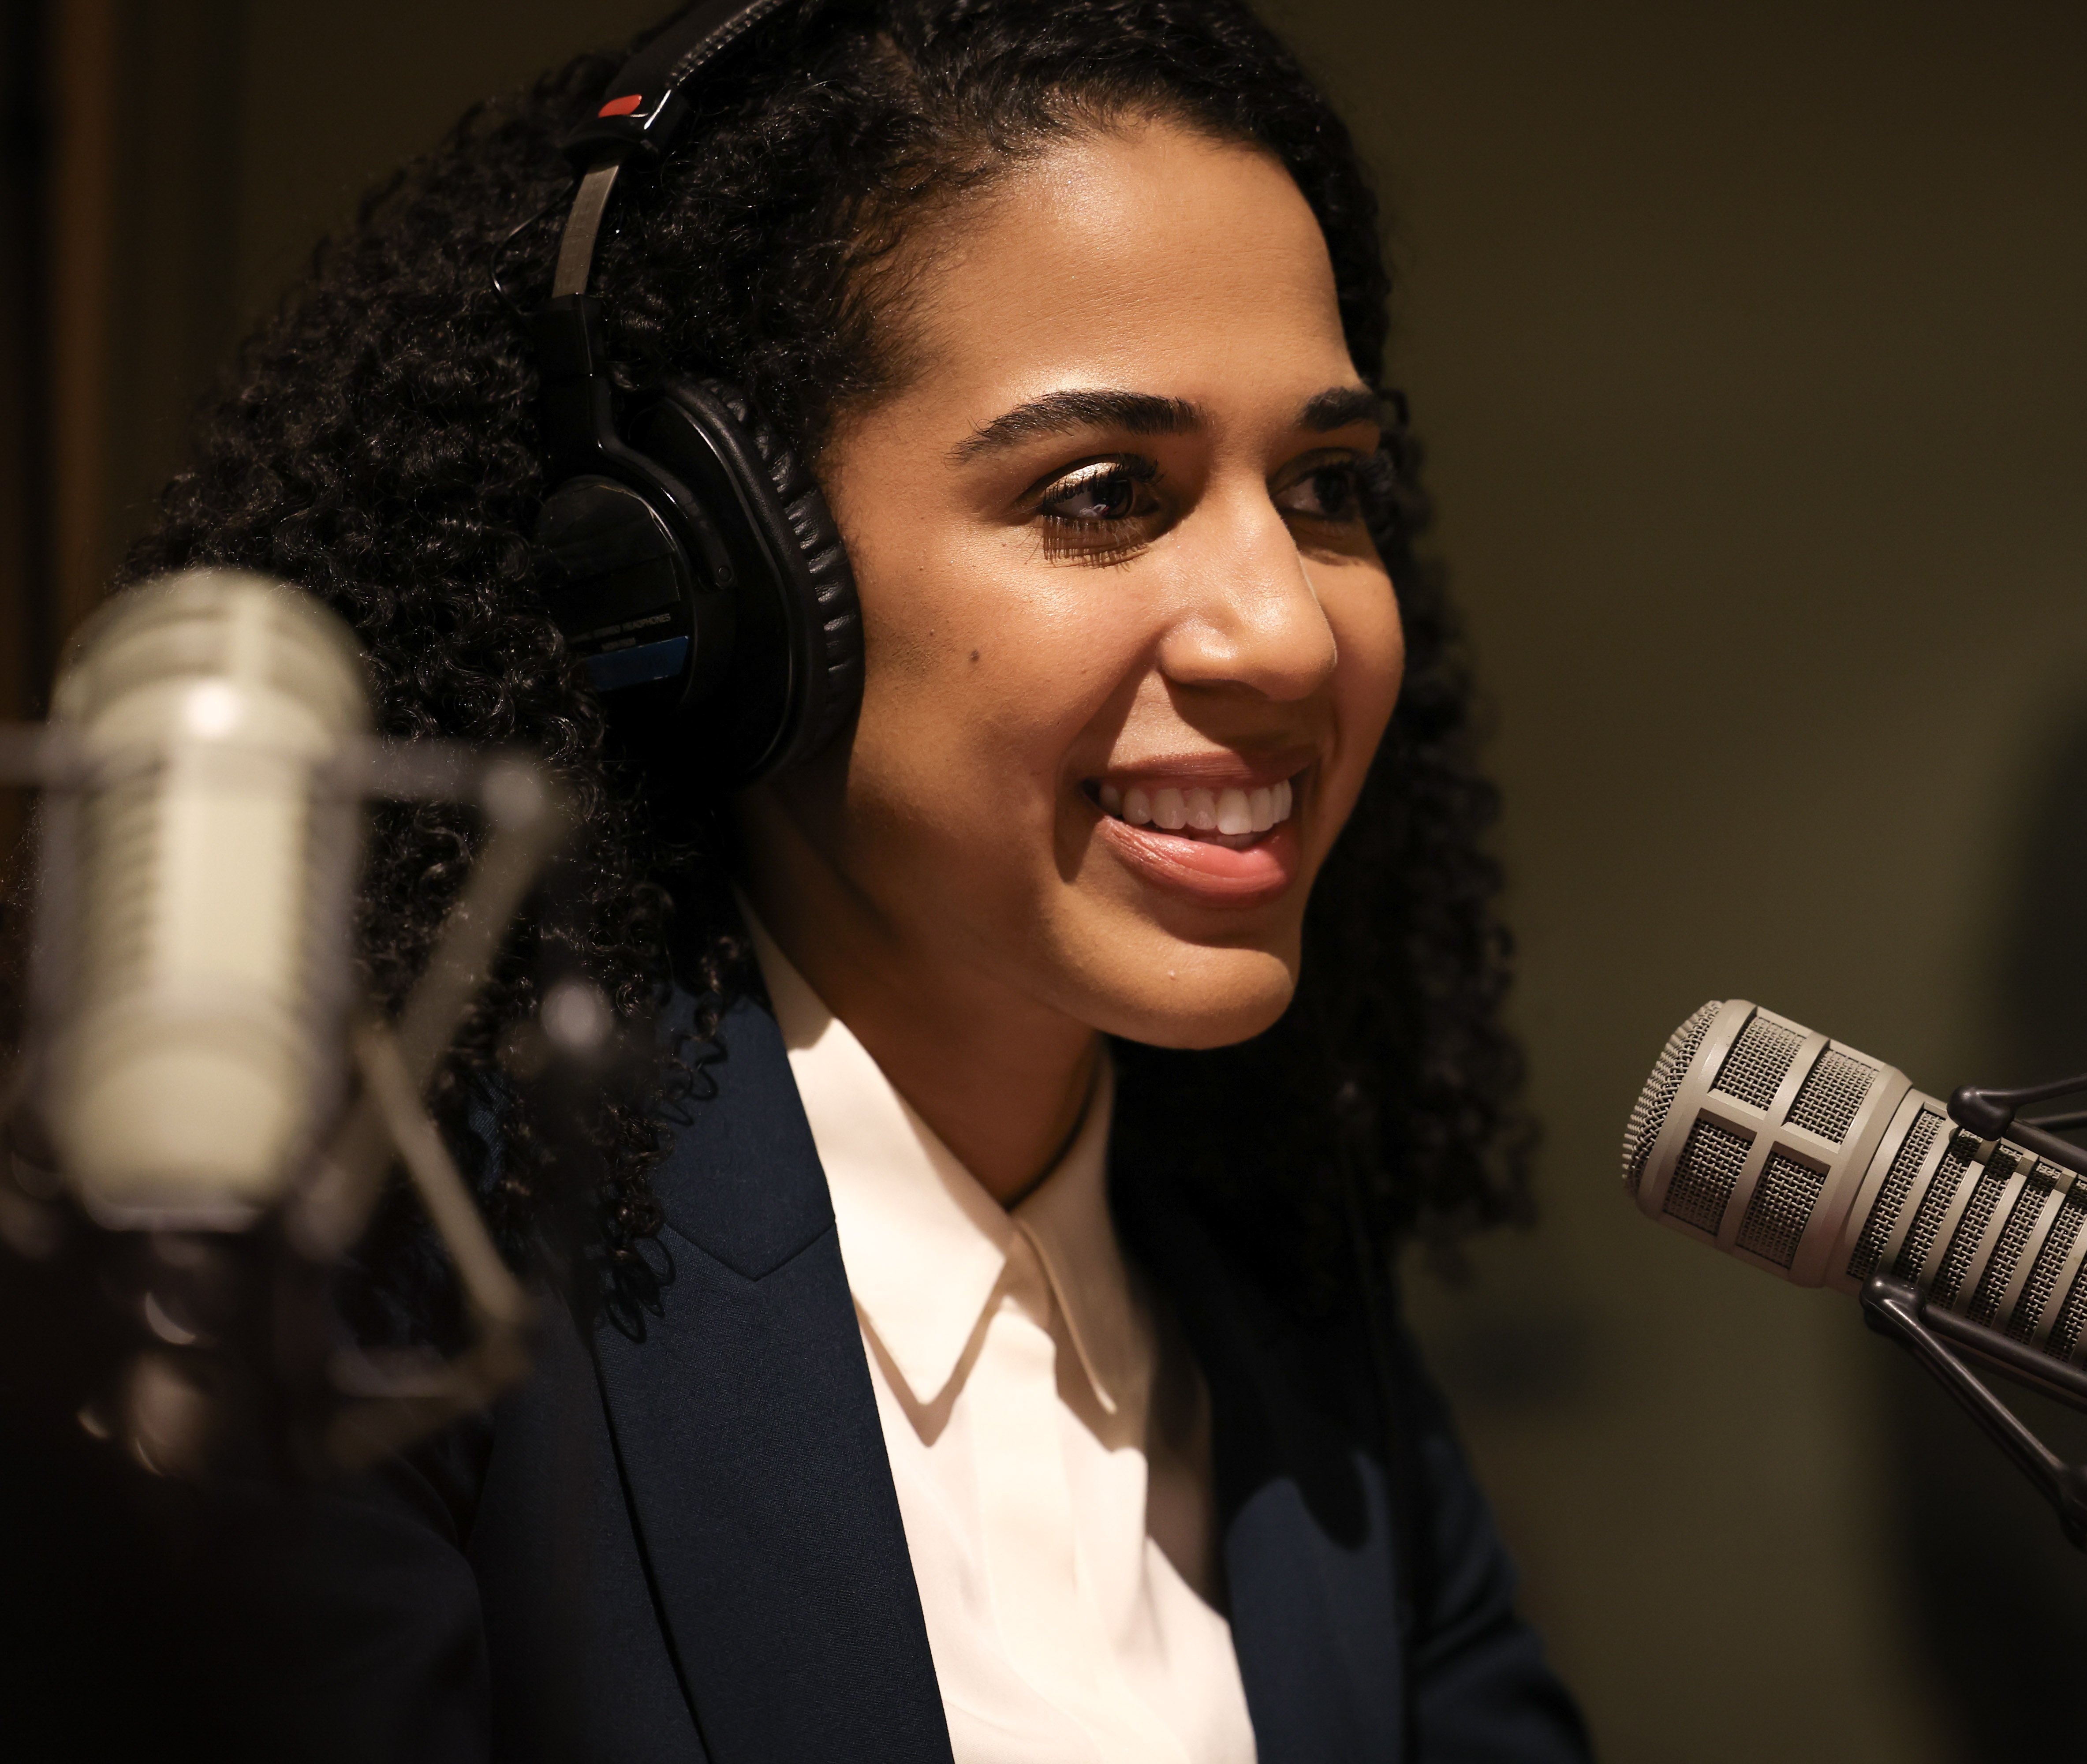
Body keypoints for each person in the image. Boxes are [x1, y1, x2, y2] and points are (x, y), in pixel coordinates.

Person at [109, 2, 1590, 1759]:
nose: (1288, 629)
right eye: (1107, 493)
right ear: (714, 582)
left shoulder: (1280, 1289)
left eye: (1328, 486)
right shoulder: (410, 1302)